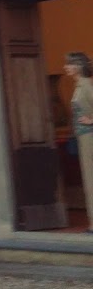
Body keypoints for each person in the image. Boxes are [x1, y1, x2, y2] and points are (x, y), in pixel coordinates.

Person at [65, 52, 93, 228]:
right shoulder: (80, 86)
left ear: (77, 66)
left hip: (89, 136)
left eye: (68, 64)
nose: (65, 67)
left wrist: (91, 120)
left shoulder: (86, 86)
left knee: (90, 179)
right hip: (84, 137)